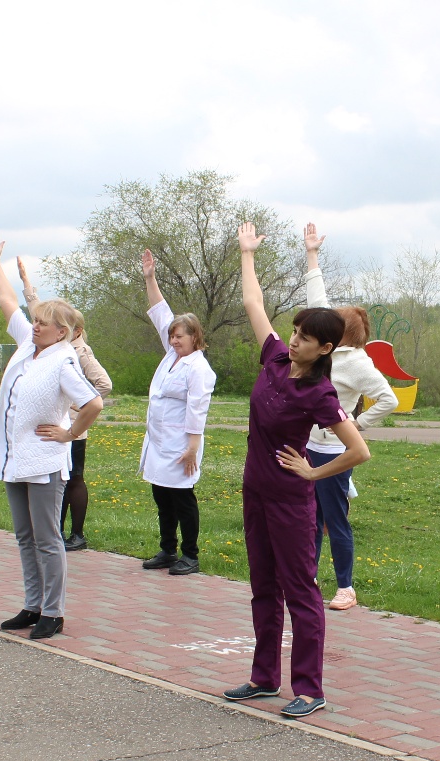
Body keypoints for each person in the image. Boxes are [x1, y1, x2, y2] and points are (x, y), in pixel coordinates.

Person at [222, 222, 371, 720]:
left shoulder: (320, 393)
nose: (293, 341)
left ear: (325, 349)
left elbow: (358, 451)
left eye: (305, 339)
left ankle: (309, 687)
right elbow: (252, 305)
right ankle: (263, 678)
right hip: (255, 492)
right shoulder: (272, 360)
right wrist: (248, 254)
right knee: (262, 586)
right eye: (295, 333)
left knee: (300, 591)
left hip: (290, 499)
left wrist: (311, 475)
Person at [0, 234, 104, 640]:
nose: (34, 326)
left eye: (42, 322)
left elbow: (92, 403)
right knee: (24, 536)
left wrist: (69, 434)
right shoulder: (26, 347)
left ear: (62, 331)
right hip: (16, 459)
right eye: (34, 321)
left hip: (45, 461)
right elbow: (6, 303)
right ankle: (32, 605)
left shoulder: (63, 360)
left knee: (48, 538)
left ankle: (54, 611)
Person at [300, 223, 398, 610]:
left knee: (334, 520)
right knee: (310, 517)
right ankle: (306, 577)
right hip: (307, 445)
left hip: (335, 453)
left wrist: (356, 424)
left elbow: (387, 399)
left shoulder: (358, 363)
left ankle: (345, 588)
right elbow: (317, 300)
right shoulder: (324, 351)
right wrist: (312, 255)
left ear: (344, 335)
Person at [19, 258, 113, 550]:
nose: (40, 326)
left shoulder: (80, 353)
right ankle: (54, 530)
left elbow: (104, 385)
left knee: (74, 480)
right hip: (55, 428)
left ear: (75, 331)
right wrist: (26, 283)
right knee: (57, 481)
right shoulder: (53, 346)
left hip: (73, 429)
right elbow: (38, 311)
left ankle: (77, 534)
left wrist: (74, 406)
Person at [138, 249, 216, 574]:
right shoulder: (171, 356)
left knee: (183, 500)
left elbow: (198, 410)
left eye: (179, 336)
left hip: (181, 444)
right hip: (158, 442)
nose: (173, 340)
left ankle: (191, 555)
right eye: (171, 336)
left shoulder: (199, 368)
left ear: (195, 337)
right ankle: (167, 550)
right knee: (161, 498)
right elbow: (160, 311)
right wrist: (150, 277)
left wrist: (192, 449)